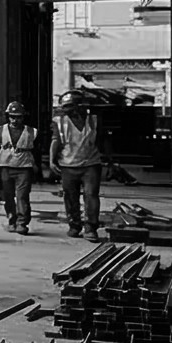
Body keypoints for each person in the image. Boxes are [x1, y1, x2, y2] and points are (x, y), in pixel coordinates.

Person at [0, 101, 49, 233]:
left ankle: (22, 222)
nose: (15, 120)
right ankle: (11, 219)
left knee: (22, 196)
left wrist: (37, 169)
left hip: (24, 168)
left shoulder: (32, 132)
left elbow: (36, 151)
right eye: (12, 116)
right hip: (5, 167)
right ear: (8, 116)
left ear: (23, 117)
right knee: (8, 196)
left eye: (18, 117)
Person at [52, 97, 111, 240]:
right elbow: (55, 141)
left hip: (90, 165)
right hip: (68, 165)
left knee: (91, 195)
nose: (65, 110)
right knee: (70, 197)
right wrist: (52, 161)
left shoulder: (94, 121)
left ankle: (91, 228)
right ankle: (74, 226)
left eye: (68, 107)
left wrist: (109, 159)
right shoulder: (60, 122)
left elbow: (103, 140)